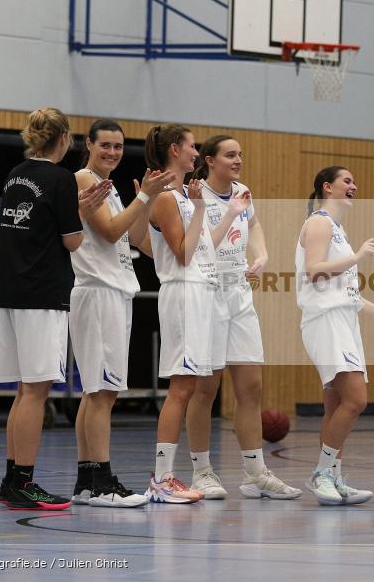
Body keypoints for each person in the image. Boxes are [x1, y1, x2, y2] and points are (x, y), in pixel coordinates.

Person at [0, 107, 109, 510]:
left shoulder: (16, 174)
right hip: (42, 293)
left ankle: (12, 479)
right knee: (36, 391)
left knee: (23, 389)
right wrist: (83, 211)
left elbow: (39, 221)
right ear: (65, 140)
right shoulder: (60, 179)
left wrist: (71, 206)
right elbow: (74, 242)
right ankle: (25, 481)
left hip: (10, 292)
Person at [185, 135, 300, 500]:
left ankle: (255, 473)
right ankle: (201, 471)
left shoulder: (243, 191)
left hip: (240, 294)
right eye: (230, 155)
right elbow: (200, 249)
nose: (238, 160)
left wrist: (261, 254)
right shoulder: (195, 195)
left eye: (240, 155)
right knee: (206, 389)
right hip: (208, 294)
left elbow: (255, 224)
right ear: (210, 160)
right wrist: (232, 213)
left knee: (251, 387)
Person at [69, 119, 174, 508]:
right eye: (105, 145)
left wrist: (146, 203)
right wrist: (144, 198)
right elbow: (112, 232)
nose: (112, 152)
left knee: (95, 392)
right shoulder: (83, 179)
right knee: (104, 393)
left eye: (118, 146)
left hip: (112, 293)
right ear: (89, 145)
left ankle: (86, 480)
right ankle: (100, 483)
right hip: (98, 294)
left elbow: (137, 240)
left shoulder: (110, 189)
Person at [144, 124, 244, 503]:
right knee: (181, 388)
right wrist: (202, 206)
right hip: (183, 294)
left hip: (203, 293)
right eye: (191, 146)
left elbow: (203, 248)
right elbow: (183, 254)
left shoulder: (186, 196)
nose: (194, 152)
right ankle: (162, 477)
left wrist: (219, 212)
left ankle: (167, 476)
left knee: (190, 387)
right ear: (175, 150)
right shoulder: (168, 198)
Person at [296, 166, 374, 505]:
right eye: (346, 181)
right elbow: (314, 272)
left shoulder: (337, 229)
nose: (354, 185)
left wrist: (372, 309)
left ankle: (334, 477)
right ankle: (321, 474)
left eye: (355, 180)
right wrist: (358, 257)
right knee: (356, 399)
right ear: (328, 187)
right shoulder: (320, 222)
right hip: (324, 321)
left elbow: (343, 288)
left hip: (342, 320)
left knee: (335, 405)